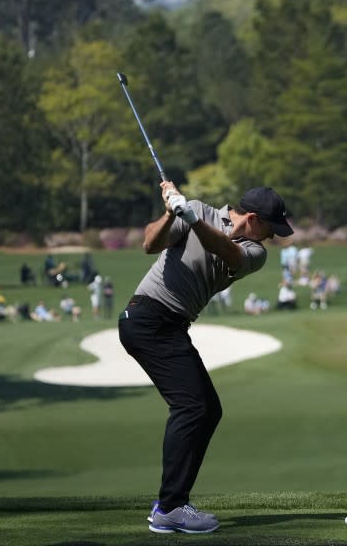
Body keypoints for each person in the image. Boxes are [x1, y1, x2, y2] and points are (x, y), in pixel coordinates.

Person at [118, 182, 293, 534]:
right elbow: (150, 244)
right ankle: (170, 508)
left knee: (206, 409)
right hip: (148, 319)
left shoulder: (253, 253)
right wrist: (171, 214)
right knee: (193, 407)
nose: (272, 238)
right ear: (254, 219)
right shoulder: (196, 210)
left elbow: (228, 252)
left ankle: (172, 503)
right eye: (271, 230)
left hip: (170, 326)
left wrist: (191, 218)